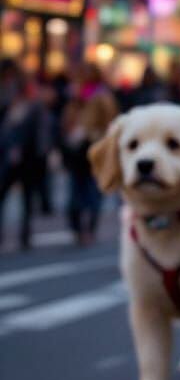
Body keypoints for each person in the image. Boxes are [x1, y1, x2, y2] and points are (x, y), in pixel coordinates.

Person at [60, 64, 119, 245]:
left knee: (92, 192)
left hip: (93, 150)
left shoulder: (102, 96)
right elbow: (66, 120)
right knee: (75, 195)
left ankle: (89, 229)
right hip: (76, 152)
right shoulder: (75, 97)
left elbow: (110, 124)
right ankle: (78, 228)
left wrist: (90, 134)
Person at [0, 66, 54, 249]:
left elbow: (41, 133)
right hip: (11, 160)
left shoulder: (34, 107)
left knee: (27, 199)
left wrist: (41, 155)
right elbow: (5, 132)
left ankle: (25, 234)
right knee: (6, 195)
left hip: (29, 160)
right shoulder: (12, 105)